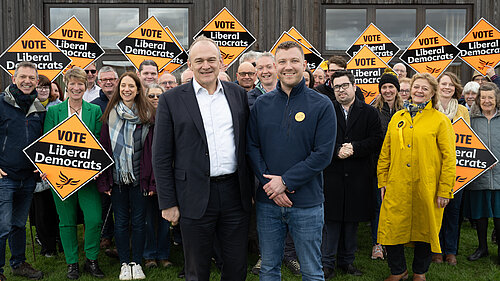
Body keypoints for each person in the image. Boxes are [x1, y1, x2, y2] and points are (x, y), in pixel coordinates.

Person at [153, 35, 252, 281]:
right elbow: (161, 155)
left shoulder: (237, 94)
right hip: (193, 196)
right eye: (199, 61)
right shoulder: (171, 99)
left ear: (221, 62)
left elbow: (246, 144)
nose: (205, 65)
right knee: (197, 269)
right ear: (189, 64)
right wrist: (168, 203)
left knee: (236, 265)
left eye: (211, 60)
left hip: (234, 193)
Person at [247, 40, 336, 280]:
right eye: (283, 62)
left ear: (304, 65)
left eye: (294, 61)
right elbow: (252, 147)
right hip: (268, 204)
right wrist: (272, 188)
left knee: (311, 270)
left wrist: (285, 182)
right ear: (275, 67)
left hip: (307, 203)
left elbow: (323, 154)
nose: (288, 66)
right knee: (268, 269)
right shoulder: (261, 105)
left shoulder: (322, 105)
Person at [378, 73, 456, 281]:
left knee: (426, 229)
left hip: (427, 186)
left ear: (432, 93)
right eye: (416, 87)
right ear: (410, 90)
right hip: (397, 184)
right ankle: (398, 271)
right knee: (391, 228)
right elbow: (385, 152)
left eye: (425, 88)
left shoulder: (440, 120)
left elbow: (450, 158)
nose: (419, 91)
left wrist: (444, 189)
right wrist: (382, 181)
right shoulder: (398, 118)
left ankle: (419, 273)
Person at [44, 67, 105, 279]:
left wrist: (96, 166)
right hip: (60, 177)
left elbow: (97, 142)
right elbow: (47, 144)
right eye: (73, 84)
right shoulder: (54, 112)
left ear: (85, 85)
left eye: (81, 83)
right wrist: (46, 168)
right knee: (67, 220)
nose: (77, 87)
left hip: (87, 176)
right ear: (66, 86)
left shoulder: (94, 111)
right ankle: (72, 263)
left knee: (94, 218)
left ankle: (91, 259)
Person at [321, 70, 383, 279]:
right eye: (337, 87)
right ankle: (327, 263)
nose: (341, 90)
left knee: (351, 223)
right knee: (331, 221)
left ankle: (347, 262)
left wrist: (354, 148)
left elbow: (376, 140)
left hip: (358, 177)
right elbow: (319, 140)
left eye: (344, 85)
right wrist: (337, 149)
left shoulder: (369, 112)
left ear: (354, 86)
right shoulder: (326, 110)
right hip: (333, 175)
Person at [97, 72, 156, 280]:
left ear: (138, 89)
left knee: (140, 223)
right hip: (117, 180)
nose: (127, 89)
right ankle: (124, 263)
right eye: (123, 86)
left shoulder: (148, 115)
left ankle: (137, 263)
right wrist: (105, 181)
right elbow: (104, 148)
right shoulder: (109, 115)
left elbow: (152, 152)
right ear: (118, 89)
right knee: (121, 222)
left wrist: (151, 181)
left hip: (140, 179)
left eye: (131, 86)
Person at [0, 61, 45, 281]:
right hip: (5, 176)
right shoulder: (1, 103)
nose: (27, 81)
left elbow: (44, 143)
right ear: (13, 78)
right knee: (3, 225)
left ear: (37, 82)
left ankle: (18, 264)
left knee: (19, 224)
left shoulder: (39, 107)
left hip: (28, 178)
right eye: (23, 77)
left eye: (31, 78)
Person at [432, 72, 470, 265]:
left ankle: (450, 251)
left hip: (457, 169)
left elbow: (469, 141)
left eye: (451, 85)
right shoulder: (430, 109)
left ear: (456, 88)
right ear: (437, 87)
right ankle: (436, 250)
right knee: (436, 211)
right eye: (443, 84)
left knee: (453, 211)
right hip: (434, 168)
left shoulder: (462, 111)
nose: (447, 87)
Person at [464, 82, 500, 263]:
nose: (486, 101)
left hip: (499, 176)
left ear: (496, 99)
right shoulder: (471, 120)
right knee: (480, 214)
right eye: (483, 97)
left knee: (499, 215)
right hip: (478, 176)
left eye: (490, 98)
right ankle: (482, 247)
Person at [370, 70, 403, 261]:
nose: (388, 90)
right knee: (379, 205)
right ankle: (378, 243)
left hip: (400, 167)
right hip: (379, 165)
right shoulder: (373, 111)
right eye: (384, 87)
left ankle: (395, 241)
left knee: (398, 206)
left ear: (397, 89)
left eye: (391, 87)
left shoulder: (405, 111)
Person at [142, 83, 173, 269]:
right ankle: (149, 255)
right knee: (146, 221)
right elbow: (145, 156)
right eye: (151, 95)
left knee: (164, 220)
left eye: (159, 96)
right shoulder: (141, 121)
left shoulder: (169, 119)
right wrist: (148, 182)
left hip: (165, 181)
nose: (155, 99)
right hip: (145, 180)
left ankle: (163, 255)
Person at [31, 75, 60, 259]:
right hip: (35, 162)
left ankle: (59, 240)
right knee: (40, 208)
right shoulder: (28, 107)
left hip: (56, 161)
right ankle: (47, 245)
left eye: (46, 87)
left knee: (55, 206)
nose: (43, 90)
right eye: (40, 87)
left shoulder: (57, 107)